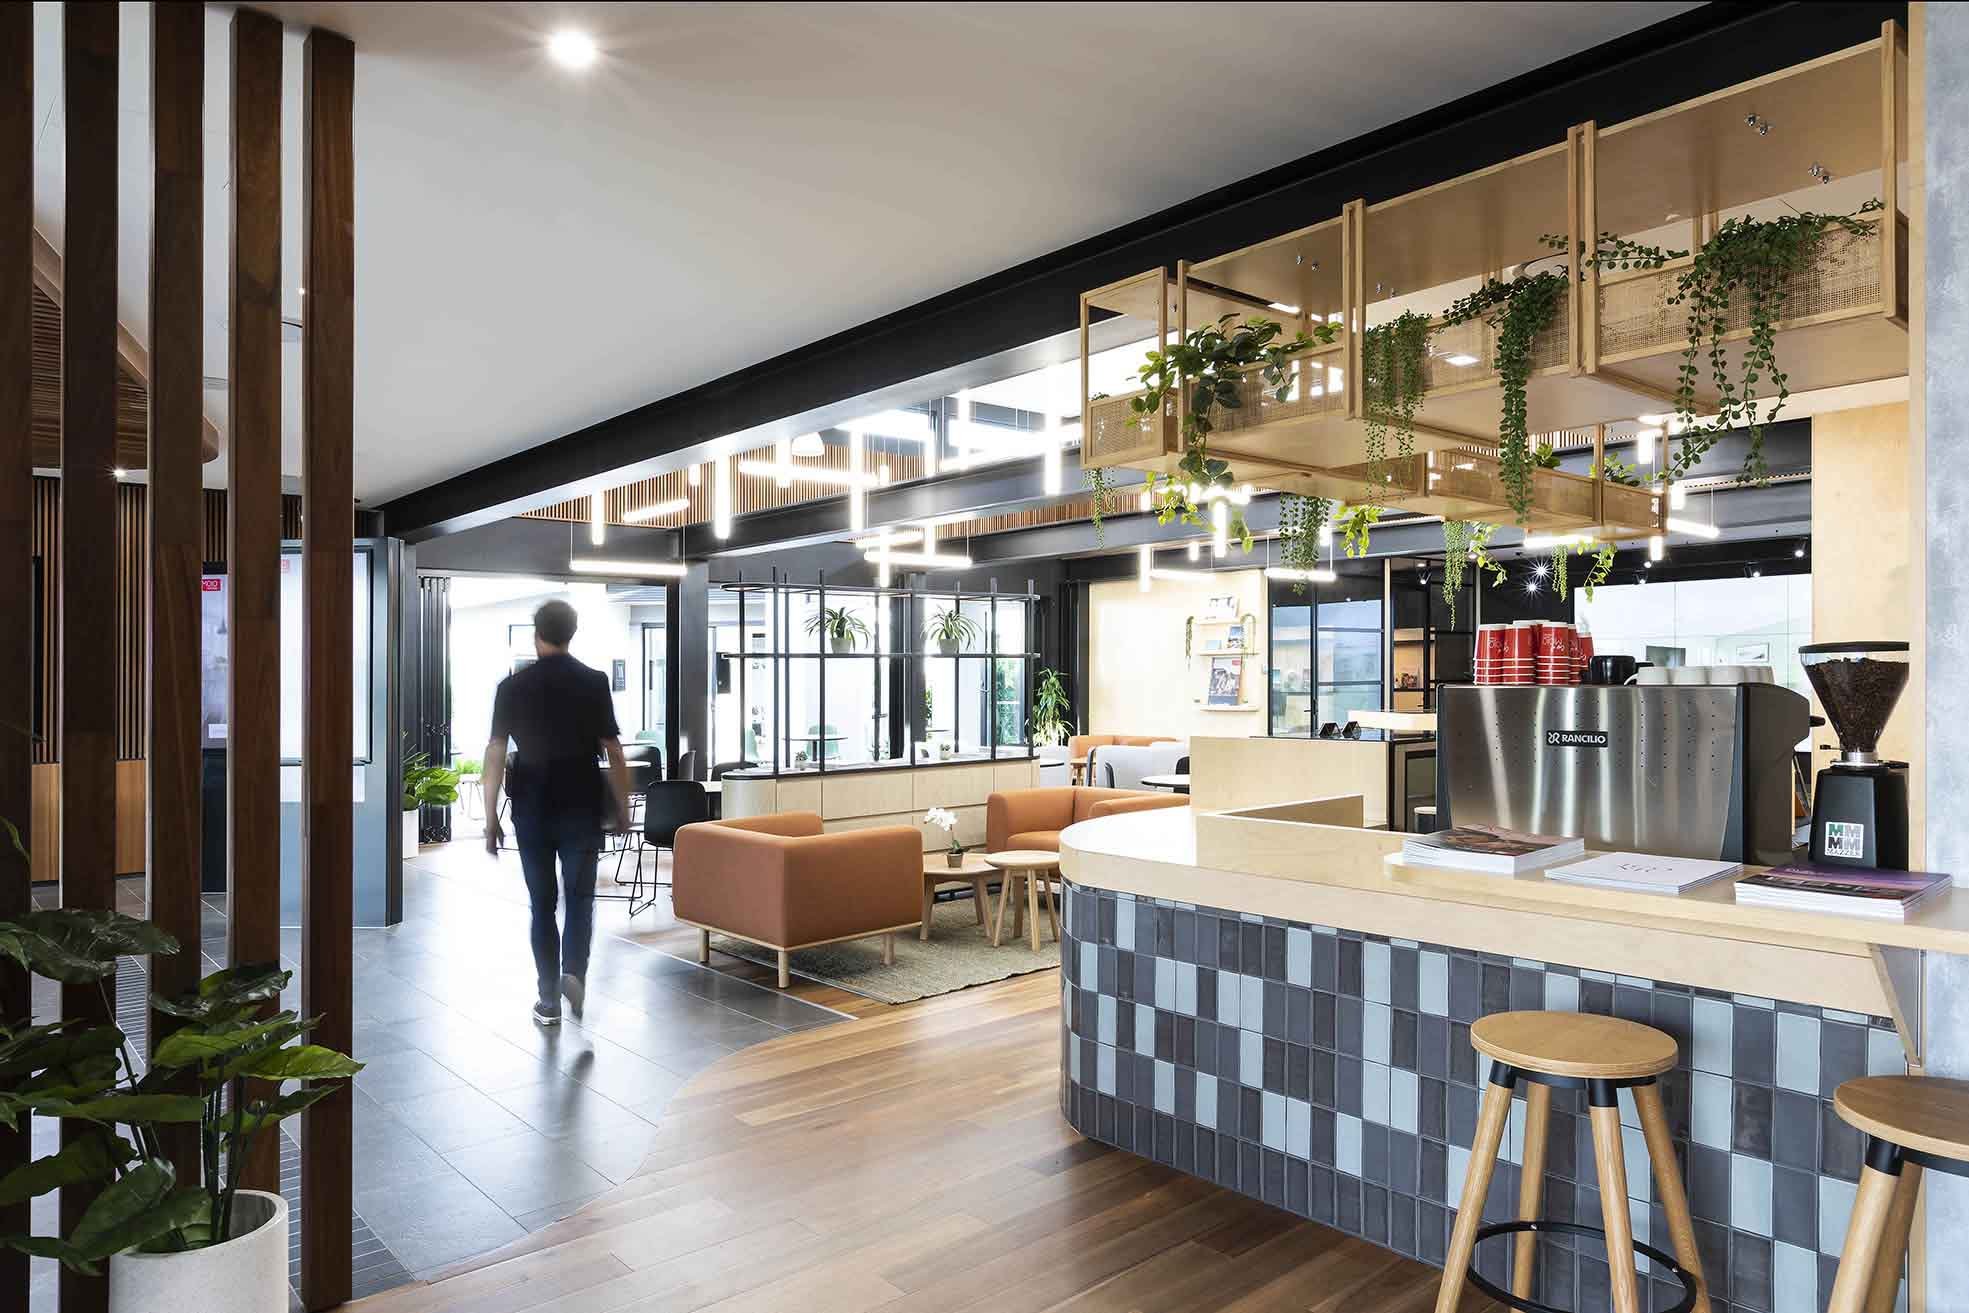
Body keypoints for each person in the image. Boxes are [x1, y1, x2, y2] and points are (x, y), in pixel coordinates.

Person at [480, 600, 631, 1026]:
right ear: (573, 632)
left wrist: (490, 818)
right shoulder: (594, 682)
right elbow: (615, 753)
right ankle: (574, 973)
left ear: (536, 633)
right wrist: (622, 807)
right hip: (582, 806)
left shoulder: (512, 687)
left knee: (542, 904)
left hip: (532, 808)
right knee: (580, 899)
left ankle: (548, 1000)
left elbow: (494, 753)